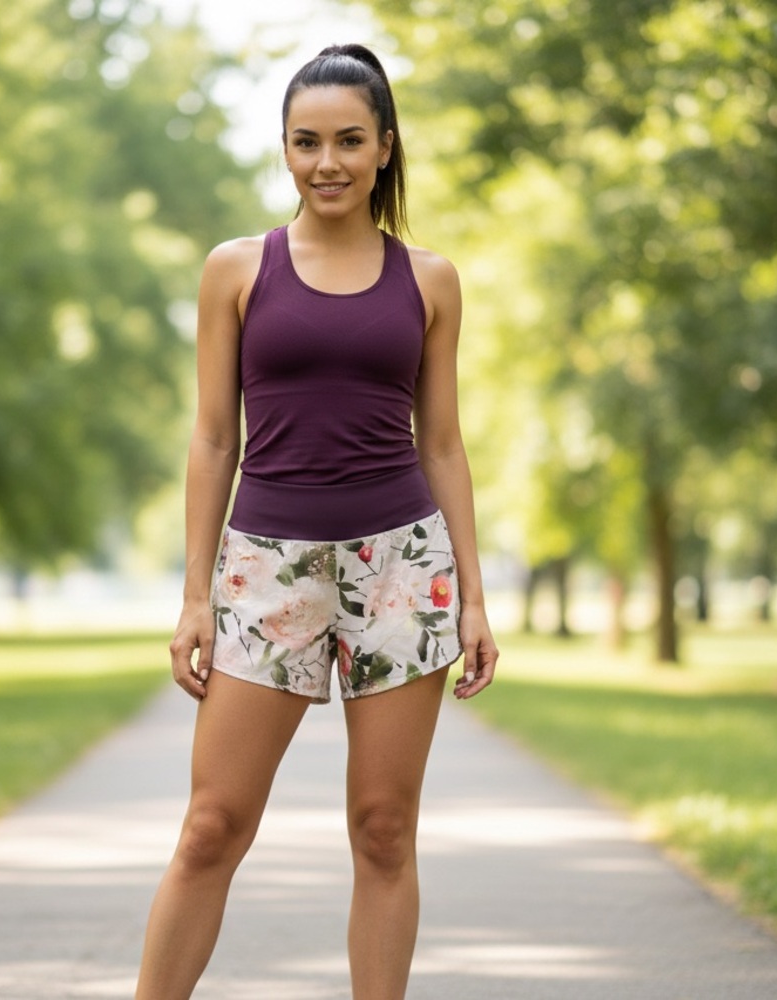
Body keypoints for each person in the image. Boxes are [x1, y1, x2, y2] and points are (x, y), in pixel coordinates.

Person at [135, 42, 498, 1000]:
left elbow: (445, 445)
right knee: (212, 826)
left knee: (384, 830)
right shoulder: (235, 270)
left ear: (385, 147)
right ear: (285, 149)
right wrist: (194, 598)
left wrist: (472, 599)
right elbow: (214, 440)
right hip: (267, 566)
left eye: (348, 140)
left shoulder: (431, 279)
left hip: (400, 567)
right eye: (306, 142)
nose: (326, 161)